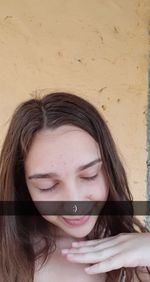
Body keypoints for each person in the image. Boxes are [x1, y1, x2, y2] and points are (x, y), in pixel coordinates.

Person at [0, 92, 150, 282]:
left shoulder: (137, 257)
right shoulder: (7, 256)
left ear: (109, 169)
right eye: (48, 186)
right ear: (23, 185)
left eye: (90, 175)